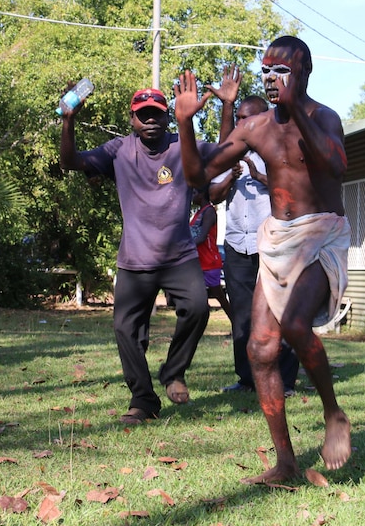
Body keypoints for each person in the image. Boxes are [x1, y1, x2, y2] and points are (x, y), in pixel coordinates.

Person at [174, 36, 352, 484]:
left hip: (321, 235)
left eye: (282, 71)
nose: (271, 79)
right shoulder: (256, 128)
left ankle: (333, 413)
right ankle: (286, 463)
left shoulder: (323, 117)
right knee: (260, 348)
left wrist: (295, 110)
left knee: (294, 325)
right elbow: (199, 174)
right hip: (277, 238)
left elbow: (336, 165)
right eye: (267, 70)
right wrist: (185, 125)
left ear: (304, 72)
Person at [60, 86, 217, 425]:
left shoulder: (183, 144)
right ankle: (143, 400)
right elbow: (70, 162)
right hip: (135, 258)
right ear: (131, 118)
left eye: (156, 113)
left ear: (166, 116)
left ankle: (173, 372)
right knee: (126, 329)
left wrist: (230, 107)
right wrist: (68, 123)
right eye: (142, 114)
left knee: (198, 309)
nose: (150, 120)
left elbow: (224, 153)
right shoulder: (118, 150)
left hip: (179, 256)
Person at [209, 94, 299, 397]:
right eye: (239, 118)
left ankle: (285, 381)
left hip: (272, 244)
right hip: (236, 244)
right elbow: (213, 195)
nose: (243, 123)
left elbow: (296, 194)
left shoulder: (279, 152)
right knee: (243, 316)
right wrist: (230, 177)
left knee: (279, 311)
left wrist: (261, 177)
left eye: (249, 118)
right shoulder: (229, 153)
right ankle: (246, 378)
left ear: (266, 118)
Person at [190, 185, 232, 320]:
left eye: (195, 192)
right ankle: (198, 324)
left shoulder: (209, 212)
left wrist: (183, 247)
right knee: (198, 297)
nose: (192, 195)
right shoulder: (198, 212)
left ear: (202, 195)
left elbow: (202, 237)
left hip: (209, 261)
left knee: (219, 296)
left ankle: (237, 324)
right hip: (199, 261)